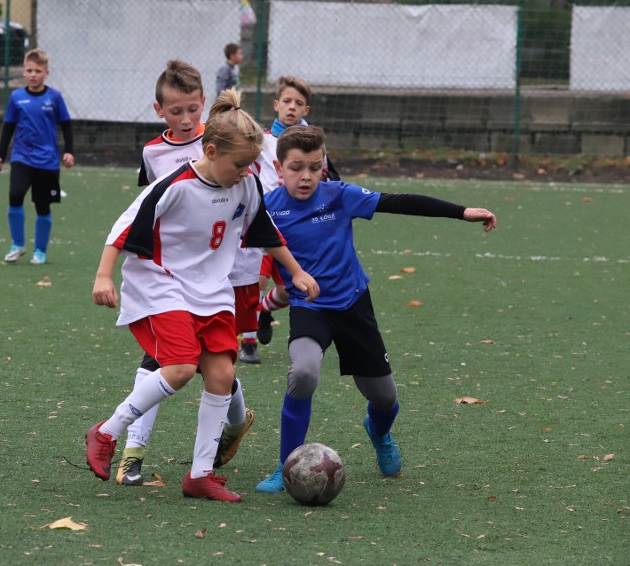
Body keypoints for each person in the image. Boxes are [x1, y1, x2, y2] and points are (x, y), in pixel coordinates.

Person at [86, 90, 320, 502]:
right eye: (239, 163)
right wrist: (103, 277)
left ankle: (199, 475)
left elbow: (264, 232)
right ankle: (106, 432)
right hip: (162, 283)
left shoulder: (245, 186)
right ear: (210, 151)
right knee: (178, 368)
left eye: (251, 163)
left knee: (221, 376)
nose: (247, 171)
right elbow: (121, 230)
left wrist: (296, 271)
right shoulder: (173, 186)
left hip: (212, 291)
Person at [255, 125, 497, 493]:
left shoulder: (339, 196)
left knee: (384, 398)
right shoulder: (268, 208)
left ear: (324, 165)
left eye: (315, 167)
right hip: (310, 307)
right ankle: (285, 464)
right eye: (296, 167)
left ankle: (379, 433)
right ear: (279, 166)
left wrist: (461, 211)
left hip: (353, 305)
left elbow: (397, 201)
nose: (306, 176)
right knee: (303, 373)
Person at [118, 61, 254, 488]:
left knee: (220, 367)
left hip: (216, 275)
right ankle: (132, 454)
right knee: (164, 361)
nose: (186, 119)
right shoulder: (152, 153)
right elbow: (149, 205)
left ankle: (233, 426)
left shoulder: (221, 143)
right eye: (176, 111)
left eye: (193, 109)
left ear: (204, 108)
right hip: (168, 278)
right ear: (159, 110)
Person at [241, 75, 340, 362]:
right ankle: (248, 343)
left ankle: (264, 310)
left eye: (298, 103)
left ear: (306, 110)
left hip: (296, 226)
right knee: (256, 280)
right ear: (276, 105)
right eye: (286, 101)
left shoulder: (314, 144)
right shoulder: (262, 142)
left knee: (287, 290)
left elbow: (329, 178)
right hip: (264, 221)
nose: (292, 107)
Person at [0, 48, 74, 265]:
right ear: (23, 71)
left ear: (46, 73)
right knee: (15, 194)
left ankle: (40, 251)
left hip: (47, 161)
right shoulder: (17, 97)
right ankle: (17, 244)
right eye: (29, 70)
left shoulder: (54, 97)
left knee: (42, 205)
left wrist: (69, 151)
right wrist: (0, 155)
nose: (33, 74)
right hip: (21, 157)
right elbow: (8, 127)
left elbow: (66, 125)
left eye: (38, 71)